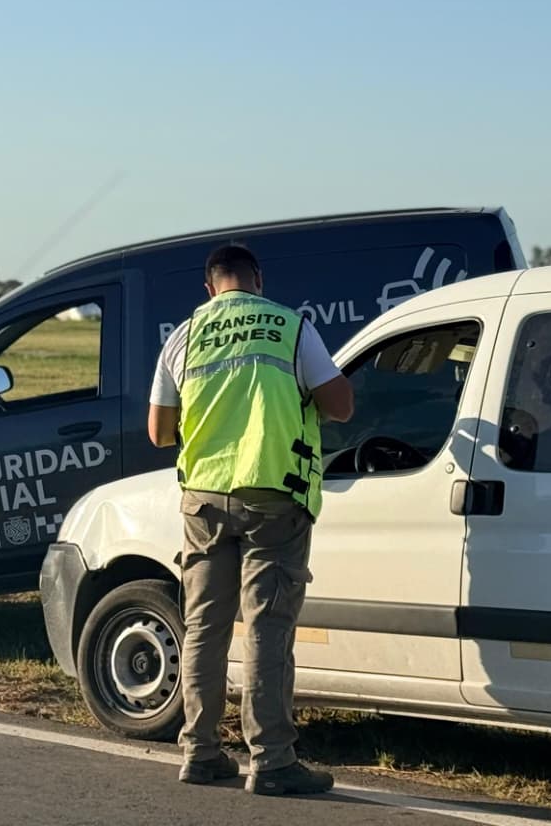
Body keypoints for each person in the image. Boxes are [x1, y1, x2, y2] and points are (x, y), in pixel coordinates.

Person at [148, 243, 354, 796]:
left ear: (210, 287)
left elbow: (160, 433)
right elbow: (341, 405)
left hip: (204, 499)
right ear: (257, 280)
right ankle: (272, 761)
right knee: (266, 628)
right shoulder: (291, 327)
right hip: (274, 495)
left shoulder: (183, 336)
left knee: (204, 627)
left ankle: (200, 751)